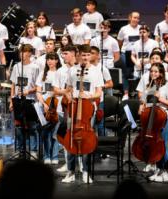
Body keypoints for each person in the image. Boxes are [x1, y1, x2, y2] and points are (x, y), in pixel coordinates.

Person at [61, 44, 103, 183]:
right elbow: (68, 89)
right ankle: (71, 171)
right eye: (83, 55)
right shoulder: (73, 70)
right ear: (78, 55)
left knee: (86, 140)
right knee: (70, 139)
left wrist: (88, 96)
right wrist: (69, 97)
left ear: (91, 56)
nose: (85, 58)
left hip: (87, 109)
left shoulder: (96, 71)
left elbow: (98, 92)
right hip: (74, 108)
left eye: (87, 55)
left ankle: (85, 171)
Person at [136, 62, 168, 182]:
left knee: (163, 144)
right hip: (153, 118)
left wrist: (160, 98)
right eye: (151, 71)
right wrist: (141, 106)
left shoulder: (167, 85)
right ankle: (158, 170)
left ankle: (166, 171)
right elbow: (144, 100)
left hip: (165, 117)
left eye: (156, 71)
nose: (153, 73)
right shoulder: (149, 85)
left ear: (161, 73)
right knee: (155, 145)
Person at [9, 44, 39, 159]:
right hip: (17, 100)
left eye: (24, 52)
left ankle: (33, 150)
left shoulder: (35, 67)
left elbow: (38, 86)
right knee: (19, 126)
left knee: (32, 126)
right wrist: (12, 100)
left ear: (30, 53)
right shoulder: (16, 67)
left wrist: (29, 91)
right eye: (20, 52)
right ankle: (21, 150)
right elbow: (12, 84)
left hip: (30, 100)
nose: (22, 54)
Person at [53, 45, 77, 173]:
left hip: (77, 109)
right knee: (63, 136)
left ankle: (79, 164)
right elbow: (55, 90)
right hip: (63, 108)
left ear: (73, 54)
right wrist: (65, 92)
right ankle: (68, 163)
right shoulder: (60, 71)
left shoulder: (78, 69)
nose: (63, 56)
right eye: (62, 54)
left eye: (65, 53)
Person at [36, 52, 61, 164]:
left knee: (55, 133)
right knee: (46, 132)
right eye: (48, 59)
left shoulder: (60, 73)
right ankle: (47, 156)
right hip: (44, 104)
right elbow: (38, 91)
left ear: (57, 60)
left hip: (56, 104)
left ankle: (55, 156)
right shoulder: (43, 73)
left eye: (52, 59)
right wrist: (43, 103)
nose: (50, 61)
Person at [117, 11, 141, 101]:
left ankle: (136, 92)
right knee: (126, 74)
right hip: (126, 53)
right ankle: (126, 93)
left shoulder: (141, 28)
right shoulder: (124, 29)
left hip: (137, 54)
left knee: (138, 74)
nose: (136, 19)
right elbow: (119, 41)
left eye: (138, 18)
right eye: (134, 17)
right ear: (130, 18)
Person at [90, 46, 113, 136]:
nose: (90, 55)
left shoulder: (102, 68)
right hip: (88, 98)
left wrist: (100, 86)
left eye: (92, 53)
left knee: (100, 123)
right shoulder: (85, 67)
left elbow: (110, 83)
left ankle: (103, 144)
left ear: (98, 55)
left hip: (99, 99)